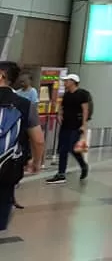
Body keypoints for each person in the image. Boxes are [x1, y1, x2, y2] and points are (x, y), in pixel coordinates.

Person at [0, 61, 44, 234]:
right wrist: (36, 162)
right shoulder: (24, 105)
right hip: (7, 168)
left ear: (2, 75)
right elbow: (38, 140)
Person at [46, 73, 90, 184]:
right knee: (62, 149)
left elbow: (85, 110)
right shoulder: (66, 95)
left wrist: (84, 125)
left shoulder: (82, 94)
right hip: (65, 125)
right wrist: (59, 114)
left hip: (76, 126)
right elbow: (62, 106)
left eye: (67, 81)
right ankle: (61, 173)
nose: (65, 83)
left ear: (73, 82)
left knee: (72, 148)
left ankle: (83, 165)